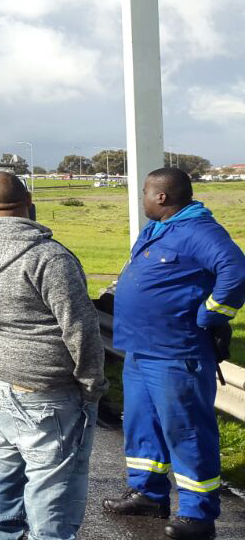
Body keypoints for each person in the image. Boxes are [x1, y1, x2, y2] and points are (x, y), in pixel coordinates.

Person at [0, 171, 105, 540]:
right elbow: (81, 328)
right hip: (45, 390)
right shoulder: (49, 258)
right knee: (50, 481)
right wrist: (92, 384)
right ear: (30, 206)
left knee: (3, 465)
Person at [103, 168, 245, 540]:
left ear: (162, 197)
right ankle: (148, 494)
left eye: (146, 192)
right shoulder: (159, 229)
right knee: (142, 426)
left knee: (188, 433)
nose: (144, 198)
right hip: (140, 351)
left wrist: (211, 314)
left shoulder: (199, 230)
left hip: (176, 354)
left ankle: (198, 516)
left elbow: (235, 269)